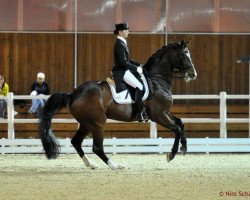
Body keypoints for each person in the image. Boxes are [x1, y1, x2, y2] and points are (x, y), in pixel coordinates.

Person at [112, 22, 148, 122]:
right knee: (140, 86)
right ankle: (140, 113)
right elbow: (123, 62)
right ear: (120, 32)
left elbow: (128, 60)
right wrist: (136, 69)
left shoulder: (122, 42)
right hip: (121, 71)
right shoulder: (119, 44)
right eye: (126, 30)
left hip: (124, 69)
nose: (128, 31)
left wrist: (139, 65)